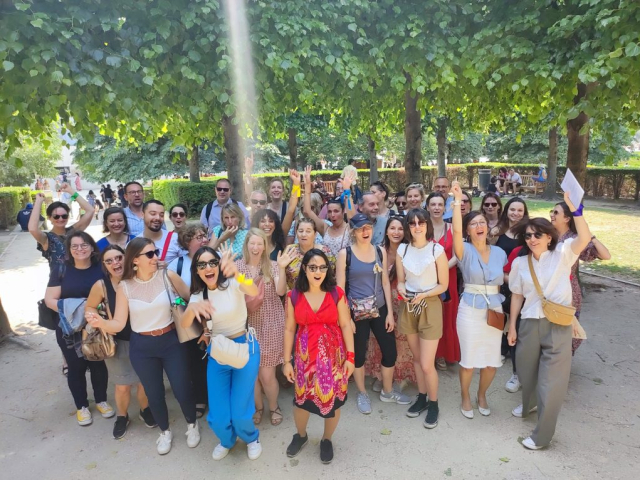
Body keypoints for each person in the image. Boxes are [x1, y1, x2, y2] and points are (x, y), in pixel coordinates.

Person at [86, 238, 199, 455]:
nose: (156, 257)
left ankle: (192, 426)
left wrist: (188, 307)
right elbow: (119, 323)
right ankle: (164, 432)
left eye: (155, 252)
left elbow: (189, 298)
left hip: (170, 341)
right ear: (135, 260)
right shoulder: (125, 287)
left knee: (182, 387)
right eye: (150, 254)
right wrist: (100, 323)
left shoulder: (168, 276)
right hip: (142, 346)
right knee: (153, 392)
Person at [508, 196, 594, 450]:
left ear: (549, 236)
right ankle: (530, 402)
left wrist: (576, 210)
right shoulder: (519, 263)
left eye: (537, 234)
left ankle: (541, 435)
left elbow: (585, 238)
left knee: (551, 382)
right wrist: (512, 325)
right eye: (528, 236)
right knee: (526, 370)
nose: (532, 239)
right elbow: (516, 295)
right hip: (529, 323)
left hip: (558, 324)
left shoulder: (563, 254)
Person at [181, 246, 262, 460]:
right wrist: (191, 310)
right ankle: (227, 440)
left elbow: (253, 290)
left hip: (244, 347)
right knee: (217, 415)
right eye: (202, 265)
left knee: (240, 409)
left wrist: (236, 272)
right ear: (196, 271)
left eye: (212, 263)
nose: (208, 268)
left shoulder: (234, 283)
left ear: (219, 265)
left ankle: (251, 438)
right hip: (218, 352)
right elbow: (185, 323)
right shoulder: (199, 294)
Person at [282, 249, 355, 464]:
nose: (318, 272)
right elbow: (288, 329)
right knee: (301, 402)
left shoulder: (336, 293)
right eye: (313, 267)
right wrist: (287, 361)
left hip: (334, 358)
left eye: (322, 267)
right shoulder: (293, 295)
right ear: (304, 269)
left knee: (332, 404)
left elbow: (345, 325)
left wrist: (350, 357)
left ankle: (326, 439)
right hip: (305, 359)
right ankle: (301, 435)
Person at [336, 214, 409, 414]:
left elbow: (385, 280)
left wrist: (388, 314)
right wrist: (346, 318)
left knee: (390, 351)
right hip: (355, 311)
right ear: (353, 231)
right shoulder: (345, 254)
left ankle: (387, 390)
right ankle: (362, 392)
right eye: (361, 228)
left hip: (379, 308)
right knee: (358, 355)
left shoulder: (379, 251)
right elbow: (340, 289)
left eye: (368, 227)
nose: (365, 232)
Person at [85, 246, 156, 438]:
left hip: (143, 338)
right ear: (104, 265)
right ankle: (122, 416)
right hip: (117, 342)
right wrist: (95, 320)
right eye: (109, 261)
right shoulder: (101, 285)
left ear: (127, 259)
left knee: (144, 382)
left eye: (118, 258)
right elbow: (90, 306)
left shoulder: (137, 278)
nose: (115, 263)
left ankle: (145, 410)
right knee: (122, 386)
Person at [44, 232, 114, 426]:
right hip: (69, 327)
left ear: (92, 247)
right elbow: (50, 300)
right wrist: (81, 308)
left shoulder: (101, 268)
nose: (80, 249)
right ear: (69, 250)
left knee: (98, 363)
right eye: (75, 246)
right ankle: (81, 406)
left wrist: (96, 314)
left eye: (84, 245)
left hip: (96, 326)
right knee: (76, 367)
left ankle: (101, 400)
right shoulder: (61, 269)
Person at [451, 181, 507, 420]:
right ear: (467, 231)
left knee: (492, 361)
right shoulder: (463, 249)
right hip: (470, 309)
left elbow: (505, 278)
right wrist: (457, 200)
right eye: (473, 224)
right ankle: (465, 395)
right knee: (469, 360)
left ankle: (482, 394)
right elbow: (454, 230)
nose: (478, 226)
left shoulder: (500, 253)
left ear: (488, 226)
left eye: (481, 222)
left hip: (494, 307)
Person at [396, 209, 449, 428]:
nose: (417, 227)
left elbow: (443, 285)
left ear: (427, 225)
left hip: (429, 305)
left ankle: (434, 403)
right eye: (412, 223)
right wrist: (404, 292)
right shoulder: (402, 250)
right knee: (417, 359)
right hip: (409, 306)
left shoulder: (437, 250)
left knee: (427, 364)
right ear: (408, 227)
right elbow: (400, 281)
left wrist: (423, 295)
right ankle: (422, 396)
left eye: (421, 223)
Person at [237, 229, 288, 426]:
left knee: (267, 375)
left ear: (265, 246)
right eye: (253, 243)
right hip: (246, 325)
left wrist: (282, 268)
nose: (256, 248)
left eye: (260, 244)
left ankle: (274, 406)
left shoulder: (273, 266)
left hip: (271, 323)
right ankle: (258, 407)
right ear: (246, 245)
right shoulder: (238, 267)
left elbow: (281, 290)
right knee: (252, 375)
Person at [550, 202, 611, 354]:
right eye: (552, 211)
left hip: (568, 290)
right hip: (547, 287)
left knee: (567, 325)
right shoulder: (546, 235)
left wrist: (591, 237)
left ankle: (563, 359)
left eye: (556, 212)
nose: (551, 214)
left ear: (566, 218)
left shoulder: (575, 239)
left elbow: (606, 255)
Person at [364, 216, 417, 390]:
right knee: (381, 339)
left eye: (400, 229)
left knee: (402, 340)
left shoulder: (411, 251)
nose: (396, 232)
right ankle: (382, 375)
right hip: (381, 301)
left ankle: (400, 377)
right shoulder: (378, 251)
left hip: (403, 301)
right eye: (392, 228)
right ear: (386, 230)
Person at [167, 223, 210, 418]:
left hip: (214, 316)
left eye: (204, 235)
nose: (204, 239)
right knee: (196, 361)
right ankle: (200, 397)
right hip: (192, 320)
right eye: (198, 237)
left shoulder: (212, 258)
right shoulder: (177, 265)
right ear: (187, 241)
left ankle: (216, 396)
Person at [426, 193, 460, 371]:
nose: (437, 208)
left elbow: (457, 255)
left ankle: (443, 354)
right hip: (427, 279)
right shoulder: (423, 228)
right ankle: (430, 353)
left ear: (445, 207)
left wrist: (441, 269)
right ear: (428, 207)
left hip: (448, 277)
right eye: (433, 204)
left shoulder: (452, 227)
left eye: (440, 204)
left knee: (447, 316)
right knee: (430, 316)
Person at [30, 186, 94, 269]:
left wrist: (71, 191)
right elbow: (32, 228)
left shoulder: (73, 231)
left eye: (64, 216)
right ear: (49, 218)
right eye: (56, 216)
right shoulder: (46, 239)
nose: (60, 219)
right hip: (59, 280)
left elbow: (90, 210)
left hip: (80, 278)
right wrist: (38, 202)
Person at [282, 218, 336, 290]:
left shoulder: (325, 252)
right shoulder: (290, 250)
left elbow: (331, 277)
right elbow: (282, 276)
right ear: (296, 232)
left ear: (315, 234)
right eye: (300, 231)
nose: (304, 234)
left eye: (308, 231)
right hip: (293, 296)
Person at [136, 200, 183, 264]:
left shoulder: (176, 239)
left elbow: (186, 265)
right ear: (142, 215)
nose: (158, 218)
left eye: (161, 215)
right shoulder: (134, 244)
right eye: (153, 214)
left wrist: (169, 268)